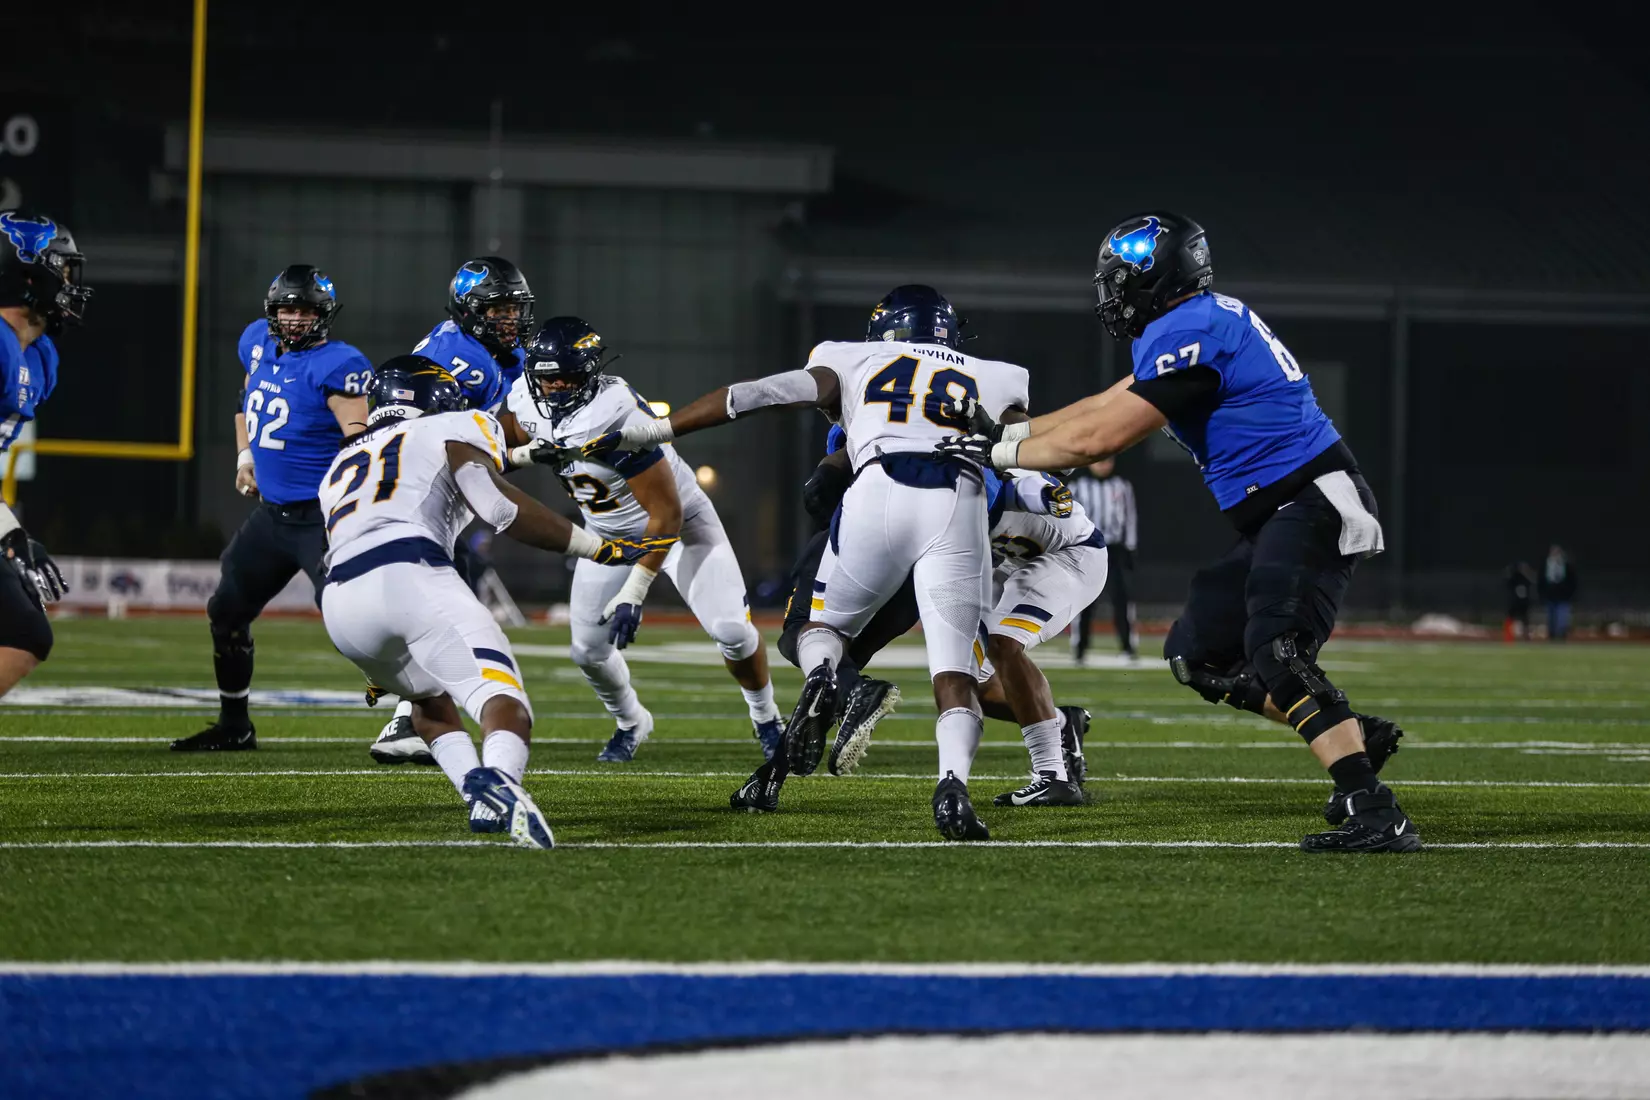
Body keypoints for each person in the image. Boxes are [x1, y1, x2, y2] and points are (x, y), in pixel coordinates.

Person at [937, 212, 1420, 853]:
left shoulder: (1192, 328)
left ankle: (1374, 808)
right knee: (1200, 654)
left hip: (1309, 498)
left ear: (1155, 278)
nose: (1112, 297)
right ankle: (1356, 735)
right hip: (1277, 512)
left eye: (1119, 283)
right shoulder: (1192, 323)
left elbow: (1100, 438)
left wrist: (998, 454)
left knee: (1275, 649)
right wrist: (1007, 432)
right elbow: (1100, 406)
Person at [585, 284, 1031, 840]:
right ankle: (951, 787)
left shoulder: (852, 357)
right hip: (959, 508)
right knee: (954, 674)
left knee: (816, 632)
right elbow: (1038, 447)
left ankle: (826, 678)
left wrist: (658, 429)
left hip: (879, 494)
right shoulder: (998, 375)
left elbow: (759, 394)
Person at [320, 357, 674, 847]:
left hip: (341, 603)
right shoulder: (451, 425)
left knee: (427, 699)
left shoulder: (340, 464)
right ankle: (503, 781)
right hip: (410, 571)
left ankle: (480, 797)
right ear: (438, 401)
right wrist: (597, 547)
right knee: (503, 701)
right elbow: (499, 507)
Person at [748, 423, 1094, 814]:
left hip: (1068, 554)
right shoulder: (901, 499)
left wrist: (1043, 487)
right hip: (1001, 562)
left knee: (997, 647)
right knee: (969, 681)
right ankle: (1060, 725)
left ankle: (1050, 775)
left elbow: (1018, 486)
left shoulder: (946, 477)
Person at [503, 317, 786, 762]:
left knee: (732, 630)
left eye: (567, 378)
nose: (555, 388)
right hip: (607, 534)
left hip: (680, 528)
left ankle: (766, 717)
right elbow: (502, 446)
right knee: (587, 651)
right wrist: (522, 453)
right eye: (547, 378)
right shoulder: (525, 399)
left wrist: (635, 591)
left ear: (589, 373)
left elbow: (666, 514)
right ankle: (631, 721)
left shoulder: (615, 416)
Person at [172, 265, 373, 751]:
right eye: (287, 309)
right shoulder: (257, 342)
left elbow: (361, 442)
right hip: (272, 516)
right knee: (226, 610)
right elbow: (247, 398)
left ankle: (418, 718)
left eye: (306, 310)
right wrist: (245, 457)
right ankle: (235, 725)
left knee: (358, 626)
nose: (295, 318)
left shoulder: (339, 364)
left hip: (322, 519)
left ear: (324, 315)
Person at [369, 256, 536, 764]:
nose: (510, 319)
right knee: (443, 601)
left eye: (515, 309)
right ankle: (408, 715)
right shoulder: (460, 359)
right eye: (499, 310)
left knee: (444, 598)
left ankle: (409, 712)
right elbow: (447, 438)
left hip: (444, 487)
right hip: (423, 488)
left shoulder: (498, 351)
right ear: (469, 311)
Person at [0, 210, 88, 698]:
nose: (71, 285)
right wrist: (9, 533)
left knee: (26, 633)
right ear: (29, 276)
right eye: (63, 270)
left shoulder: (36, 355)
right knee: (24, 632)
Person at [1068, 457, 1138, 661]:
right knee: (1084, 600)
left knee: (1121, 598)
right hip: (1087, 548)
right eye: (1099, 461)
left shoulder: (1122, 486)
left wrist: (1130, 547)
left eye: (1107, 461)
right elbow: (1069, 519)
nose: (1103, 465)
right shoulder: (1078, 486)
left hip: (1114, 549)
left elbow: (1130, 517)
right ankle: (1080, 648)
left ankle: (1128, 647)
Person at [1538, 545, 1577, 641]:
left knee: (1562, 617)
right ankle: (1552, 635)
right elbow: (1541, 580)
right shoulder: (1546, 565)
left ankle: (1561, 634)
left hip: (1563, 596)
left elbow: (1572, 581)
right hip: (1550, 595)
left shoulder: (1566, 565)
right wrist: (1542, 593)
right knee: (1551, 617)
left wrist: (1570, 593)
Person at [1503, 560, 1534, 642]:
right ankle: (1525, 636)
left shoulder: (1514, 578)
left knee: (1512, 618)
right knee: (1524, 620)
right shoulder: (1524, 579)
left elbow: (1507, 584)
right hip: (1523, 602)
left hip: (1516, 602)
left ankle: (1509, 637)